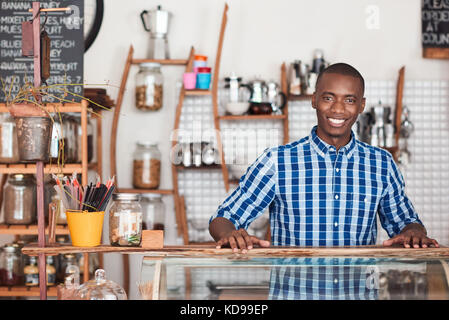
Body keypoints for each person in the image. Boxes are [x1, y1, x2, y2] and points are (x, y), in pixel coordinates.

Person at [209, 63, 439, 253]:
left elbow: (406, 222)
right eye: (328, 98)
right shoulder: (277, 162)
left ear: (361, 105)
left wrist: (414, 233)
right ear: (314, 100)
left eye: (349, 100)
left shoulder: (381, 163)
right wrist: (230, 234)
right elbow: (223, 218)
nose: (338, 109)